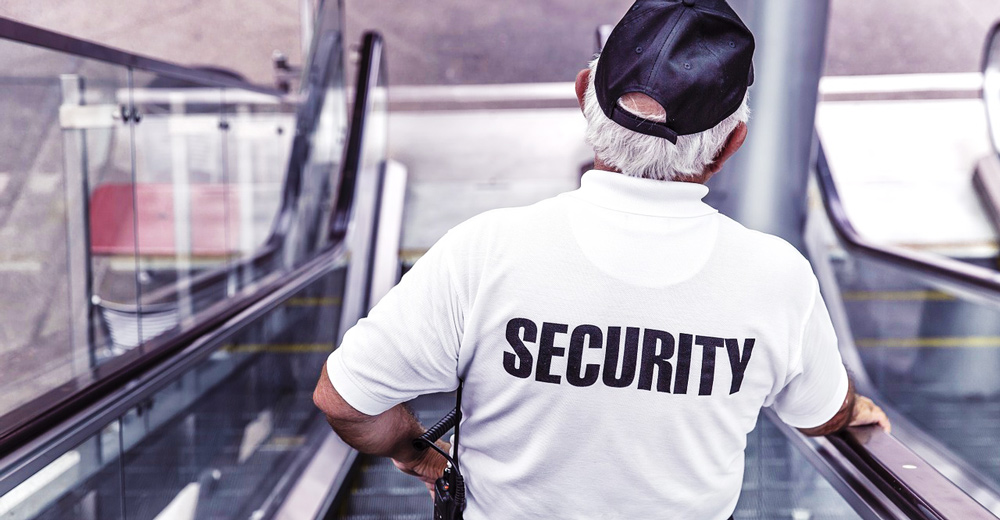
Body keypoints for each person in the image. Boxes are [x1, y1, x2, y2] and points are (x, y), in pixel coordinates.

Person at [313, 0, 890, 518]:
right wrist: (854, 407)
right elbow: (820, 411)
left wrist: (418, 454)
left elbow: (344, 400)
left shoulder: (485, 252)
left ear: (584, 92)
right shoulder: (776, 278)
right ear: (729, 146)